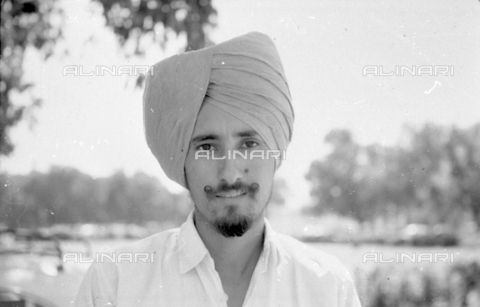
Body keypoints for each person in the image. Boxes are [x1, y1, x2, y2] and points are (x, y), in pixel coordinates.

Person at [74, 32, 362, 307]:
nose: (230, 174)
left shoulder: (327, 288)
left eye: (249, 145)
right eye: (207, 148)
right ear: (180, 159)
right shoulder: (116, 282)